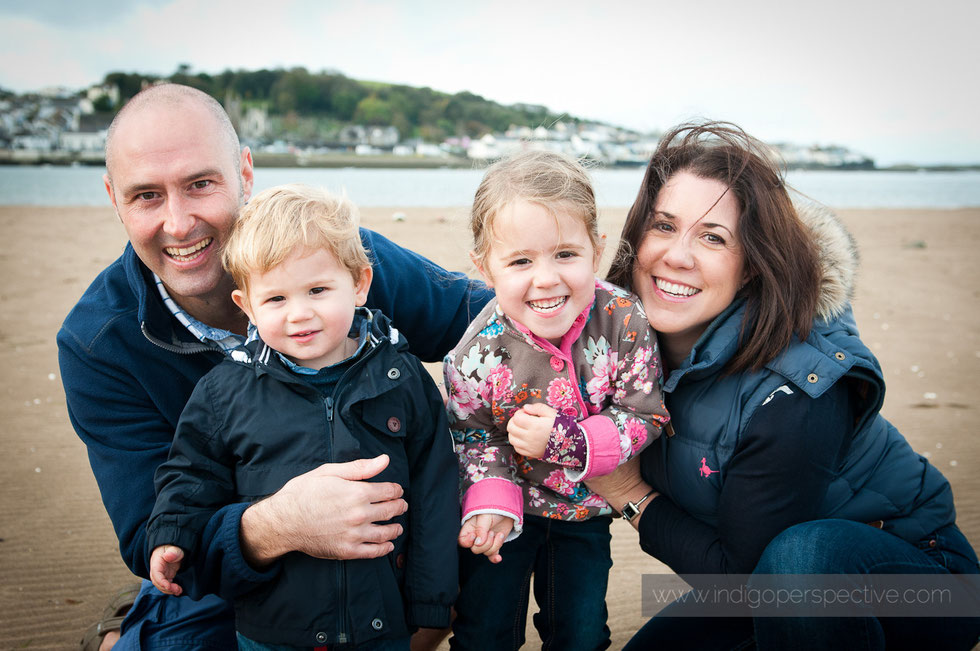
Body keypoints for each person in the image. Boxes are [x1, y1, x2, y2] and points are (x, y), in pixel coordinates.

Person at [57, 84, 493, 650]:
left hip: (393, 545)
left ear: (244, 171)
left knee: (490, 559)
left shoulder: (333, 257)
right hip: (239, 574)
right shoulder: (99, 343)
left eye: (200, 184)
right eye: (146, 196)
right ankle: (131, 627)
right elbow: (150, 534)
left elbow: (484, 317)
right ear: (115, 198)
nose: (180, 222)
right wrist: (281, 525)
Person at [585, 121, 980, 650]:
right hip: (764, 583)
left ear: (751, 266)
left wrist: (630, 493)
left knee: (799, 562)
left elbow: (747, 582)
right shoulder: (618, 347)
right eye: (663, 226)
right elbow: (508, 329)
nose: (677, 256)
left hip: (916, 580)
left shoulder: (797, 388)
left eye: (712, 237)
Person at [443, 150, 670, 650]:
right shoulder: (474, 355)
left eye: (565, 254)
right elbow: (473, 439)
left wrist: (570, 442)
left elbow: (644, 411)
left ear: (596, 248)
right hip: (505, 518)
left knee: (581, 633)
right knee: (484, 631)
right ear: (486, 269)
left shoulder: (623, 320)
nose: (545, 278)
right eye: (521, 261)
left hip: (584, 514)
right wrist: (491, 501)